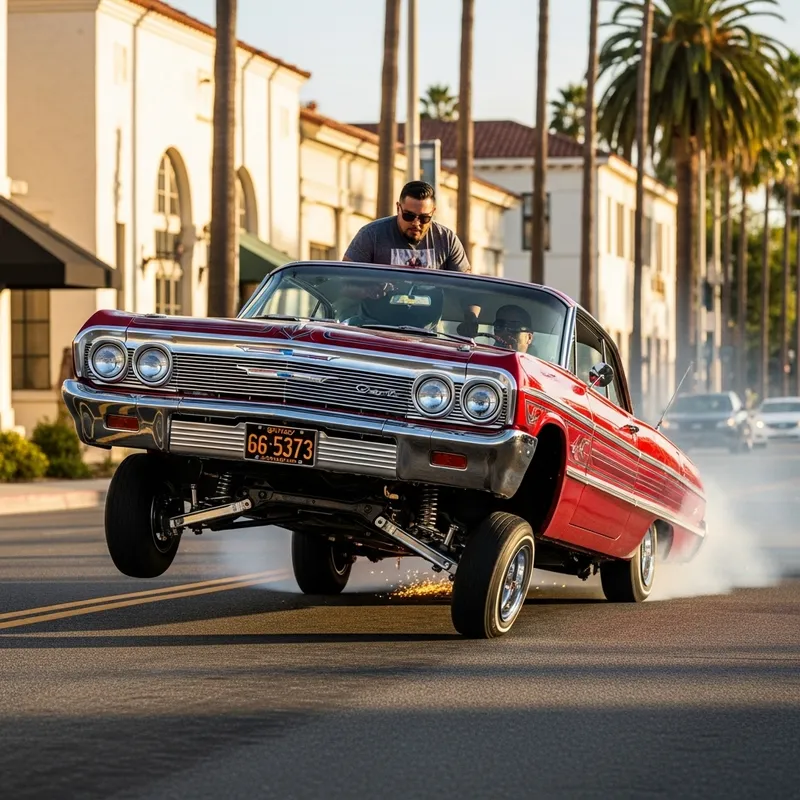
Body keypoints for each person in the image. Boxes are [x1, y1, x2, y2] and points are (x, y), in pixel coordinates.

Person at [343, 181, 471, 272]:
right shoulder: (372, 235)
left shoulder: (447, 240)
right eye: (409, 216)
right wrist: (368, 290)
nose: (416, 223)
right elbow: (344, 281)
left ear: (433, 213)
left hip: (433, 311)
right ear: (398, 208)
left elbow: (467, 289)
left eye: (424, 218)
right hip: (379, 310)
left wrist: (470, 311)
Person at [458, 304, 534, 353]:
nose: (504, 331)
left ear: (529, 338)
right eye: (499, 326)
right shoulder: (482, 358)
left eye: (514, 327)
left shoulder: (536, 371)